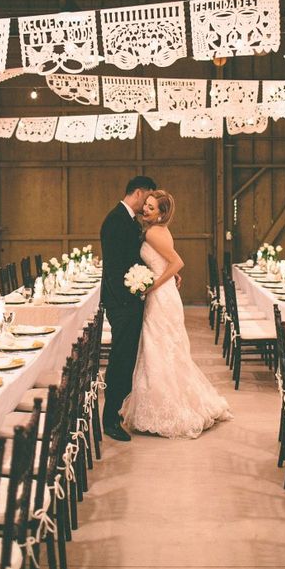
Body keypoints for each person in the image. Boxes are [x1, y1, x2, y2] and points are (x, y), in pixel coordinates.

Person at [120, 190, 232, 439]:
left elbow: (177, 262)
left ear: (161, 214)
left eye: (151, 208)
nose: (146, 210)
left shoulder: (151, 233)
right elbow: (165, 262)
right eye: (146, 205)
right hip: (164, 294)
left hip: (161, 297)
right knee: (161, 348)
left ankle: (167, 410)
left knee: (159, 348)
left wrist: (154, 284)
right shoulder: (157, 230)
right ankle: (158, 407)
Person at [100, 175, 157, 442]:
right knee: (120, 360)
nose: (147, 204)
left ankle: (118, 411)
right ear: (138, 192)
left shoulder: (128, 220)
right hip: (122, 302)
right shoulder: (115, 220)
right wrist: (127, 299)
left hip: (130, 299)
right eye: (147, 198)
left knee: (127, 359)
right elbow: (113, 268)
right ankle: (109, 418)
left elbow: (133, 258)